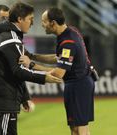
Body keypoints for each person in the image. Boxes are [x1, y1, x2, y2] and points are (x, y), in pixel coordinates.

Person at [0, 2, 62, 135]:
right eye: (30, 19)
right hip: (2, 105)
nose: (32, 23)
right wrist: (45, 77)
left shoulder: (9, 36)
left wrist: (23, 97)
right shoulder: (10, 38)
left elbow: (26, 60)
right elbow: (18, 70)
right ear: (20, 19)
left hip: (1, 104)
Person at [41, 7, 95, 135]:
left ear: (53, 23)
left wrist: (32, 66)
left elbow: (59, 73)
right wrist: (33, 57)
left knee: (79, 129)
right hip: (80, 83)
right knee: (77, 129)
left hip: (78, 85)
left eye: (44, 21)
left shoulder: (67, 42)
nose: (42, 25)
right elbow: (58, 58)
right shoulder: (70, 32)